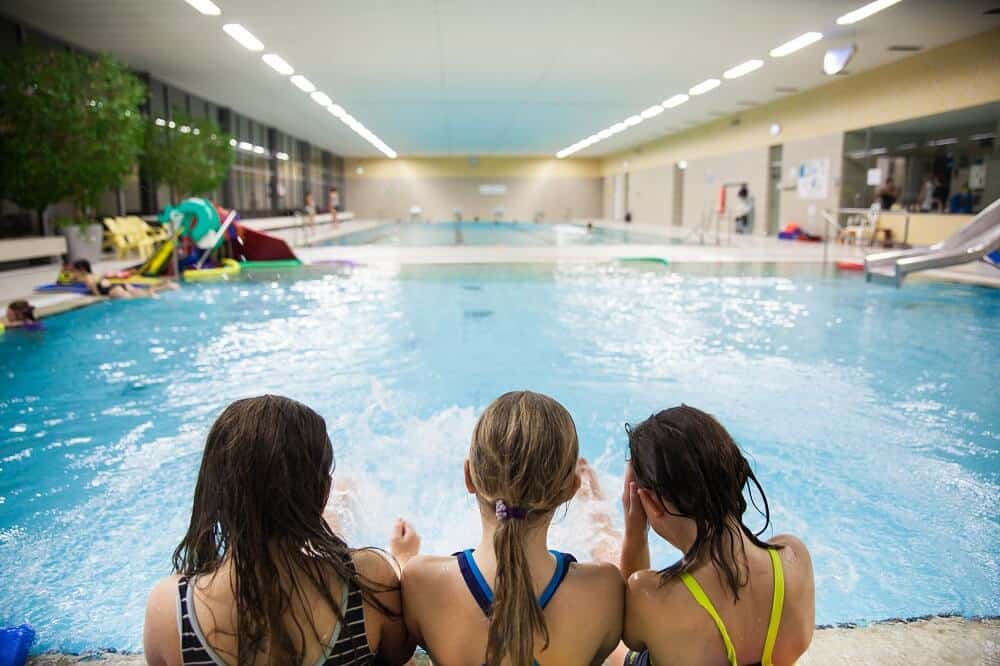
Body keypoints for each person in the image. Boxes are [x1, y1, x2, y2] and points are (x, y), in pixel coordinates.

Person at [143, 395, 415, 666]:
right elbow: (398, 655)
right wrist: (404, 563)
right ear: (322, 493)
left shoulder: (171, 610)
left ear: (213, 494)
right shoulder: (371, 579)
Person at [398, 391, 624, 666]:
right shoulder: (605, 590)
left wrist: (402, 558)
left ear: (469, 477)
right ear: (571, 490)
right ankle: (601, 526)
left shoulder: (420, 582)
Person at [616, 405, 814, 666]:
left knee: (617, 654)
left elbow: (629, 634)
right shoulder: (793, 558)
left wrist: (635, 533)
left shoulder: (650, 595)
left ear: (650, 503)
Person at [68, 260, 171, 299]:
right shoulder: (94, 274)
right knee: (144, 294)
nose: (73, 273)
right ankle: (164, 287)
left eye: (74, 270)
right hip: (118, 284)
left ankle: (159, 289)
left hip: (111, 289)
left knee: (131, 299)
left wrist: (98, 296)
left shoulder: (86, 278)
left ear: (81, 270)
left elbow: (93, 286)